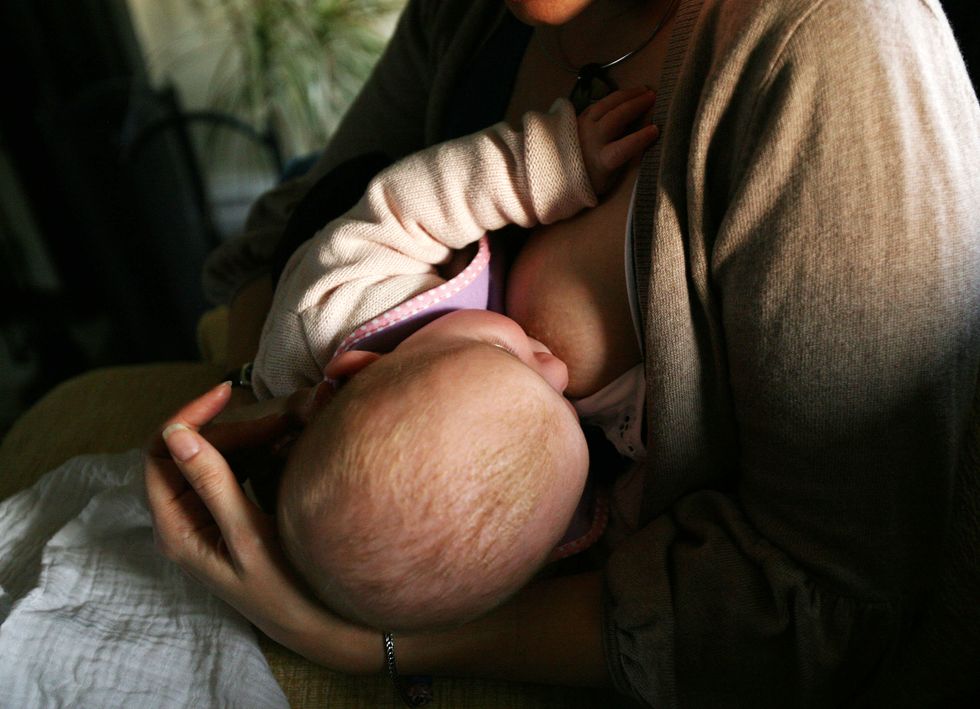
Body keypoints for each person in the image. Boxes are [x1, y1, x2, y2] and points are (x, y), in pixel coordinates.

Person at [146, 0, 980, 706]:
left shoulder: (825, 51)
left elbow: (822, 597)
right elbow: (285, 239)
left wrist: (376, 638)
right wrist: (296, 416)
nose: (545, 364)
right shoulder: (472, 15)